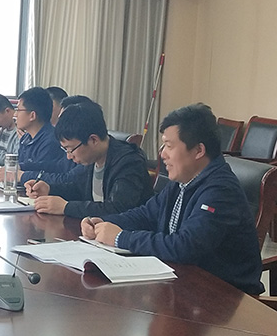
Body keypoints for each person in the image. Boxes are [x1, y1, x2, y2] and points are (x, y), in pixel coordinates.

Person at [81, 103, 263, 295]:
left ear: (199, 150)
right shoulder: (184, 180)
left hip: (224, 296)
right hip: (184, 284)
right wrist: (102, 222)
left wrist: (120, 238)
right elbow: (146, 214)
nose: (162, 154)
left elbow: (185, 246)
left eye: (169, 146)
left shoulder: (221, 191)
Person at [26, 100, 153, 217]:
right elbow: (78, 189)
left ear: (93, 140)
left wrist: (66, 207)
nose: (69, 156)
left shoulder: (129, 162)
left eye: (70, 149)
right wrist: (49, 189)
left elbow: (117, 209)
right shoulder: (93, 158)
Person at [0, 86, 73, 184]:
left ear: (32, 115)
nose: (15, 115)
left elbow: (41, 176)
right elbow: (22, 167)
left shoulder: (51, 141)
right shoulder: (25, 138)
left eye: (19, 110)